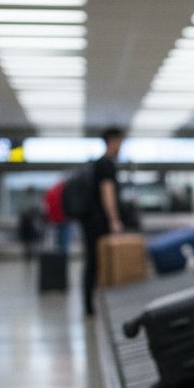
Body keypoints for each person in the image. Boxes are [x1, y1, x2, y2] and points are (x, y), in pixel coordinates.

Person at [81, 127, 125, 317]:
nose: (121, 146)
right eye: (120, 142)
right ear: (112, 141)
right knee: (96, 261)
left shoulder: (98, 164)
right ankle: (91, 305)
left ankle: (91, 303)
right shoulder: (106, 165)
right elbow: (108, 193)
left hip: (91, 221)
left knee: (93, 261)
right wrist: (114, 220)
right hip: (99, 222)